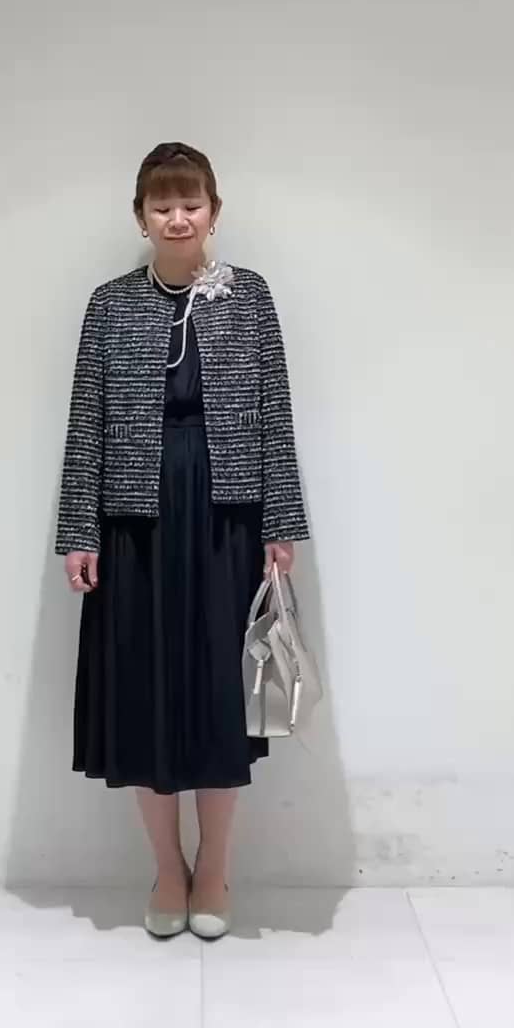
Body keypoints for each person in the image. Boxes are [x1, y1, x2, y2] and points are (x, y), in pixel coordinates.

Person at [55, 142, 309, 939]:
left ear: (213, 211)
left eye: (190, 202)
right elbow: (87, 420)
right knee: (146, 690)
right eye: (161, 205)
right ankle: (168, 870)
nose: (177, 217)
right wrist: (79, 530)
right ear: (140, 218)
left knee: (221, 692)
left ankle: (217, 870)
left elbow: (274, 412)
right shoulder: (109, 305)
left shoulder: (250, 296)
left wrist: (280, 523)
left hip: (226, 515)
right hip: (134, 519)